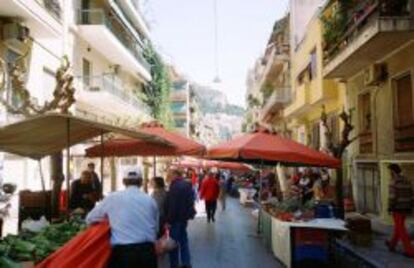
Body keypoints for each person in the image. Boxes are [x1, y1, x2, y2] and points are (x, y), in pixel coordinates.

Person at [86, 170, 159, 268]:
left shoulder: (113, 198)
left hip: (123, 253)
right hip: (147, 252)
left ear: (123, 182)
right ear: (141, 182)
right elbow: (156, 228)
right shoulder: (150, 200)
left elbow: (90, 218)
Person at [165, 169, 195, 268]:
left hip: (175, 220)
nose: (168, 176)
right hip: (184, 219)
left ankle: (174, 264)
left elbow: (172, 206)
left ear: (175, 174)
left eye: (169, 174)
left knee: (173, 243)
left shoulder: (174, 186)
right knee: (183, 241)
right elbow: (191, 202)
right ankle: (186, 263)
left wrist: (168, 221)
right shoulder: (187, 185)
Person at [386, 164, 414, 257]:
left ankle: (410, 251)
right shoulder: (407, 180)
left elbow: (392, 197)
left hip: (397, 208)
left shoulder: (394, 181)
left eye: (390, 171)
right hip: (406, 208)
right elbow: (412, 194)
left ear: (393, 171)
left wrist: (390, 207)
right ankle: (391, 244)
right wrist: (410, 205)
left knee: (401, 229)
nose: (389, 173)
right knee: (398, 227)